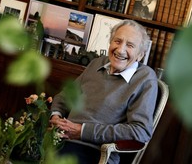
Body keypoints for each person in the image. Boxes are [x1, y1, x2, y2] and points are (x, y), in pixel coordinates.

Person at [50, 20, 158, 164]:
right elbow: (65, 96)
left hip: (95, 152)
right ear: (110, 42)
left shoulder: (145, 78)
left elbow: (141, 131)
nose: (120, 50)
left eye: (130, 45)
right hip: (60, 140)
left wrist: (82, 131)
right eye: (117, 41)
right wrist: (56, 116)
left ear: (140, 55)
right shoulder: (97, 63)